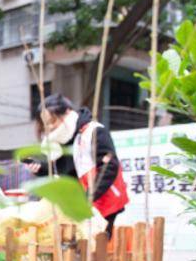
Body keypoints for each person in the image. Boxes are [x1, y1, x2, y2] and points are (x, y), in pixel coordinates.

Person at [26, 94, 128, 235]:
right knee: (77, 248)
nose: (49, 127)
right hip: (78, 202)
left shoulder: (94, 131)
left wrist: (88, 197)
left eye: (52, 121)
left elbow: (109, 167)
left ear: (67, 112)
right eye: (45, 124)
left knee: (95, 246)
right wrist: (41, 169)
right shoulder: (58, 141)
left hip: (102, 198)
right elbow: (67, 172)